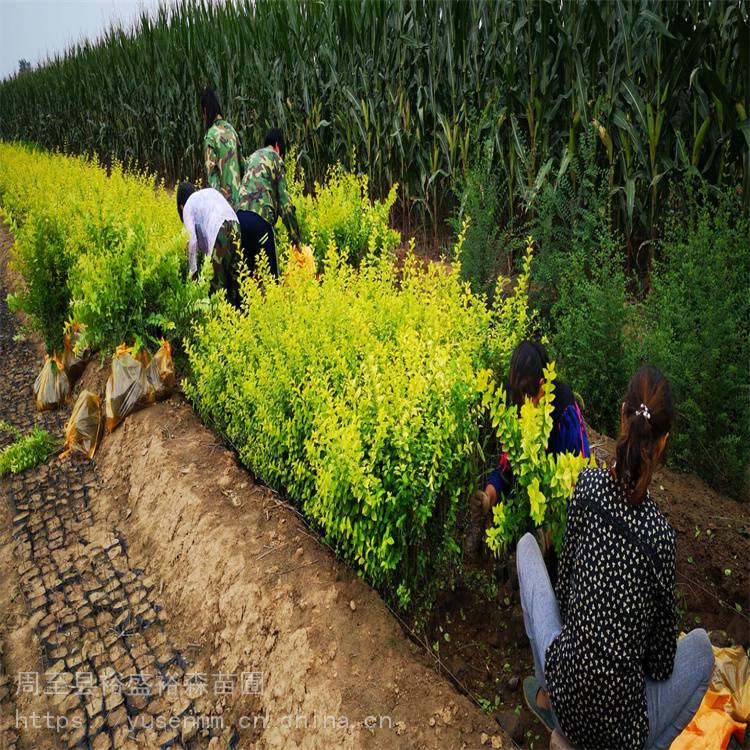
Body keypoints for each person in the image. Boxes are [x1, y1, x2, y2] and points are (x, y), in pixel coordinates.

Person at [517, 365, 713, 749]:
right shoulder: (660, 537)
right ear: (663, 442)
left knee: (526, 547)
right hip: (620, 732)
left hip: (569, 692)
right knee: (703, 649)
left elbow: (565, 588)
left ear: (622, 416)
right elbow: (659, 664)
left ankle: (550, 699)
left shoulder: (587, 485)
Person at [465, 340, 590, 560]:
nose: (523, 411)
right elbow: (507, 465)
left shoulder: (565, 412)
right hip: (532, 509)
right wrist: (488, 495)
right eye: (519, 403)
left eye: (528, 400)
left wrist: (553, 532)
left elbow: (580, 480)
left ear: (543, 386)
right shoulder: (522, 408)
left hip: (563, 527)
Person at [236, 128, 301, 279]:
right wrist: (296, 239)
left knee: (249, 280)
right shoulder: (275, 158)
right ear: (278, 146)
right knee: (272, 281)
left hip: (240, 218)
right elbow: (286, 205)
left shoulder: (252, 157)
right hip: (260, 221)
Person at [176, 182, 242, 306]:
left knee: (217, 290)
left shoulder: (188, 206)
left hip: (220, 232)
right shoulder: (206, 195)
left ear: (181, 206)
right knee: (235, 283)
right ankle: (239, 319)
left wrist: (193, 274)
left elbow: (192, 242)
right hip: (236, 226)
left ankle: (220, 321)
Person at [201, 86, 243, 210]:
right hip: (240, 201)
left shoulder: (211, 136)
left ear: (205, 111)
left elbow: (212, 174)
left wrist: (217, 204)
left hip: (224, 205)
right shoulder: (231, 130)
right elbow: (242, 165)